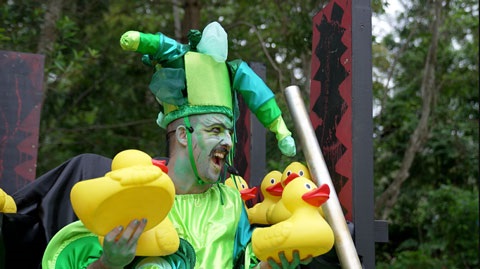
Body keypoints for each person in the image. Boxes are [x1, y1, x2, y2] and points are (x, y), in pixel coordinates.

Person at [40, 22, 312, 268]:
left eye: (229, 131)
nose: (228, 141)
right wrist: (109, 263)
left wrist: (272, 266)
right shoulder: (140, 196)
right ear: (183, 135)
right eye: (215, 129)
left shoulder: (230, 203)